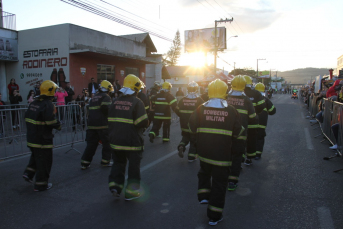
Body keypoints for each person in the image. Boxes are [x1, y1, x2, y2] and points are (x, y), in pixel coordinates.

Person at [189, 79, 243, 226]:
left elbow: (191, 126)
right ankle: (214, 216)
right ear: (225, 92)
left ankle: (204, 195)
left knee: (204, 173)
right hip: (222, 156)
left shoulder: (200, 108)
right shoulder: (231, 110)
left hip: (204, 153)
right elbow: (238, 132)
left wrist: (196, 142)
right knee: (219, 185)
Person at [108, 74, 148, 200]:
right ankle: (131, 193)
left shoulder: (115, 101)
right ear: (135, 88)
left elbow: (110, 120)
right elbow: (142, 122)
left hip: (116, 140)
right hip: (132, 141)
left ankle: (115, 187)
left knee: (118, 164)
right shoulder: (137, 102)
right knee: (133, 168)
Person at [22, 80, 61, 191]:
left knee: (36, 157)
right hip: (42, 139)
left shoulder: (34, 102)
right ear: (51, 91)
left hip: (31, 137)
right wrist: (58, 125)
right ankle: (41, 185)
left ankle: (28, 174)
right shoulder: (48, 104)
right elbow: (50, 121)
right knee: (44, 161)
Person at [226, 76, 257, 191]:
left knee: (227, 155)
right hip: (241, 134)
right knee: (237, 156)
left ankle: (224, 176)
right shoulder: (247, 100)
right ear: (244, 86)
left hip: (226, 133)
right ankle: (232, 182)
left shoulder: (226, 97)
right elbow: (253, 117)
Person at [80, 80, 114, 169]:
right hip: (102, 125)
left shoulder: (94, 97)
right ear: (108, 89)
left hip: (91, 125)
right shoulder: (106, 97)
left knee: (91, 145)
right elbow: (106, 109)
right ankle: (105, 161)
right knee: (107, 144)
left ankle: (85, 163)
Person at [176, 81, 203, 162]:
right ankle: (191, 157)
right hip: (194, 125)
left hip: (183, 123)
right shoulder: (199, 100)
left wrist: (182, 116)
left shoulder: (182, 100)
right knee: (193, 139)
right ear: (196, 89)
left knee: (185, 137)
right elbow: (203, 112)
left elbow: (177, 110)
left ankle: (181, 146)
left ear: (187, 89)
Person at [243, 75, 266, 165]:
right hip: (253, 123)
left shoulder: (238, 94)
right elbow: (262, 106)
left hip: (240, 123)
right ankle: (249, 159)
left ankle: (239, 161)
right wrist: (256, 113)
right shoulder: (256, 93)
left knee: (239, 141)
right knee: (251, 141)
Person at [254, 83, 276, 159]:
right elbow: (273, 111)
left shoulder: (251, 99)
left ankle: (249, 155)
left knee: (251, 138)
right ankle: (258, 154)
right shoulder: (266, 100)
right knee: (260, 138)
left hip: (252, 123)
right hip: (261, 124)